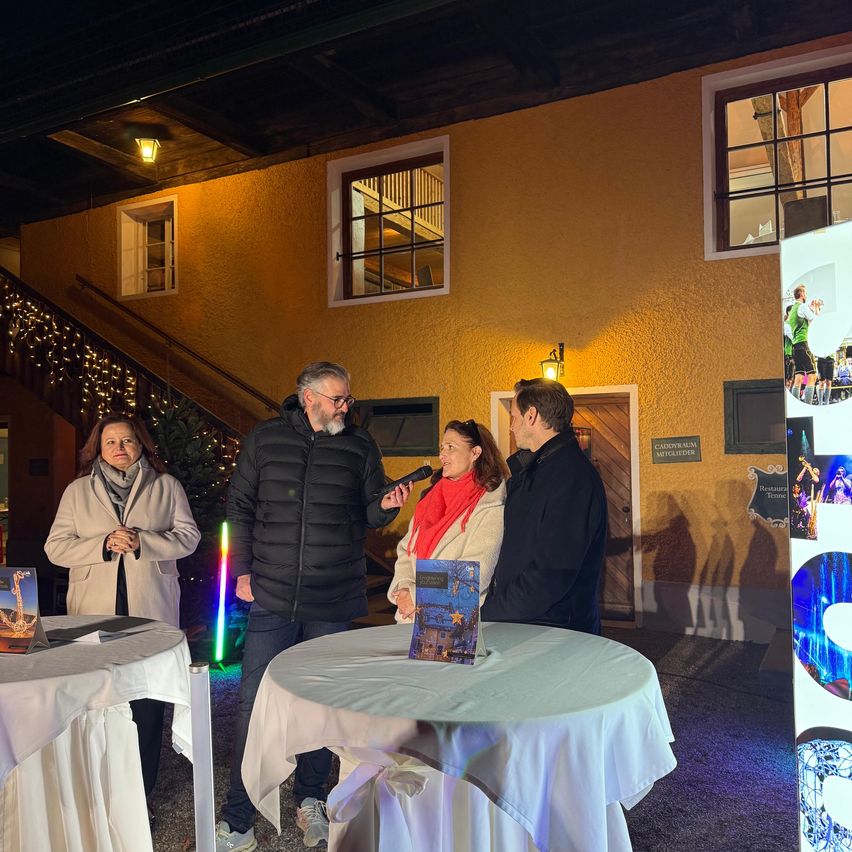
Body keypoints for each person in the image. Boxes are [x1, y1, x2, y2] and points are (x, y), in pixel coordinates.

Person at [216, 362, 411, 852]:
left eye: (348, 398)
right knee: (255, 701)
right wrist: (242, 571)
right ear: (309, 398)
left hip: (332, 595)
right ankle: (239, 815)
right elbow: (239, 507)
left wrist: (387, 505)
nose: (346, 406)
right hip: (272, 592)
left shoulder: (360, 444)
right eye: (337, 398)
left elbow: (369, 511)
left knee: (323, 703)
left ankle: (310, 799)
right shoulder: (265, 440)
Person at [44, 413, 200, 819]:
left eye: (127, 440)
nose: (119, 448)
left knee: (146, 704)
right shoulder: (77, 491)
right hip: (93, 613)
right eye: (110, 441)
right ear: (98, 448)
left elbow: (189, 537)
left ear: (140, 444)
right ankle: (97, 793)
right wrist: (103, 544)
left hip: (150, 612)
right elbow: (55, 548)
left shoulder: (166, 486)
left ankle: (139, 797)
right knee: (96, 702)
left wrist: (141, 541)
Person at [481, 379, 607, 634]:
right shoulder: (535, 471)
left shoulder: (572, 477)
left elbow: (551, 573)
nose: (511, 426)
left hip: (554, 630)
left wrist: (488, 613)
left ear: (531, 415)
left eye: (514, 416)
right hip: (523, 621)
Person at [388, 419, 508, 622]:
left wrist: (417, 596)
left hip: (453, 620)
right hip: (410, 615)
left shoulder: (489, 504)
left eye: (451, 447)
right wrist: (405, 587)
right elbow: (406, 551)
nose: (442, 455)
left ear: (475, 453)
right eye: (442, 448)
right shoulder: (429, 498)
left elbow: (474, 574)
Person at [789, 284, 822, 405]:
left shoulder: (793, 309)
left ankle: (796, 405)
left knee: (798, 377)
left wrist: (811, 309)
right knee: (812, 376)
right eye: (806, 293)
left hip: (795, 346)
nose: (806, 295)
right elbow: (816, 322)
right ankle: (808, 405)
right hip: (803, 344)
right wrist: (816, 308)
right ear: (802, 294)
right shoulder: (802, 306)